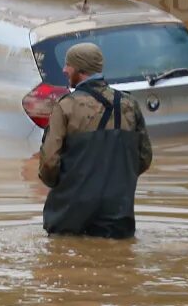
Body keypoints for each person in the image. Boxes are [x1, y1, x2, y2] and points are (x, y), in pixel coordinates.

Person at [38, 42, 153, 238]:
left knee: (64, 262)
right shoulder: (129, 105)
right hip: (117, 213)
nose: (65, 70)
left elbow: (49, 162)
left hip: (69, 213)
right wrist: (116, 180)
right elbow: (144, 158)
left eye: (68, 65)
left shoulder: (66, 107)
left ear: (80, 69)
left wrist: (65, 185)